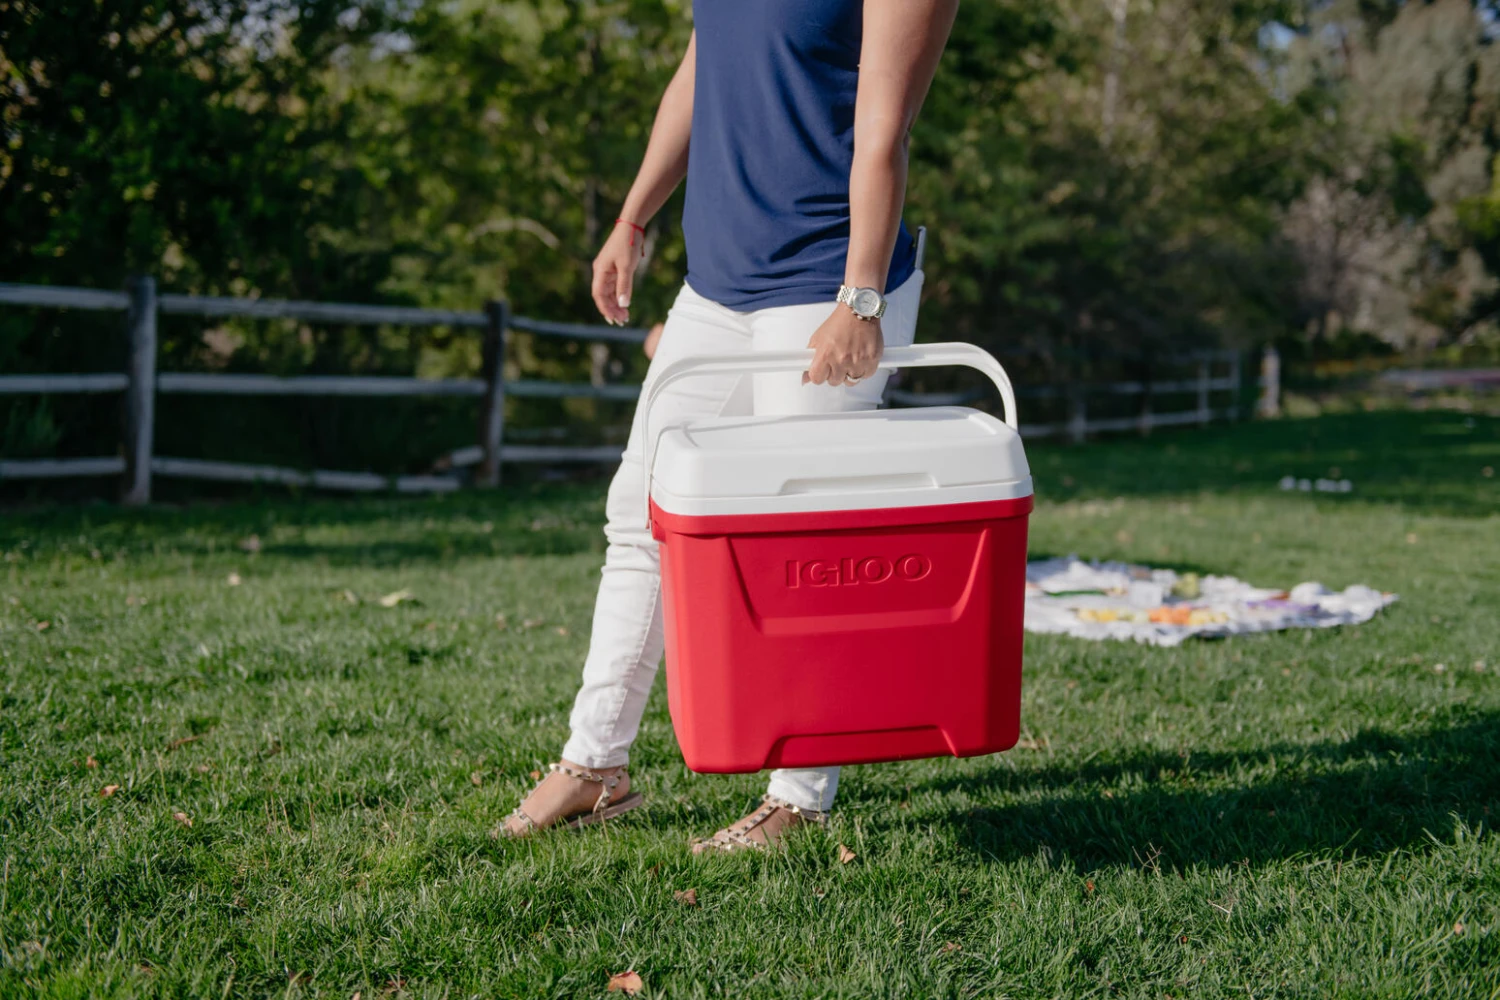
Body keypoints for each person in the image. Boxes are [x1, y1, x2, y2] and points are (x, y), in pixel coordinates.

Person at [501, 0, 960, 852]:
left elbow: (885, 127)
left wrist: (861, 299)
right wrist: (633, 215)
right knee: (640, 514)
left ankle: (799, 800)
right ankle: (594, 766)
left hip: (828, 281)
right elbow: (700, 68)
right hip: (716, 282)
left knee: (804, 546)